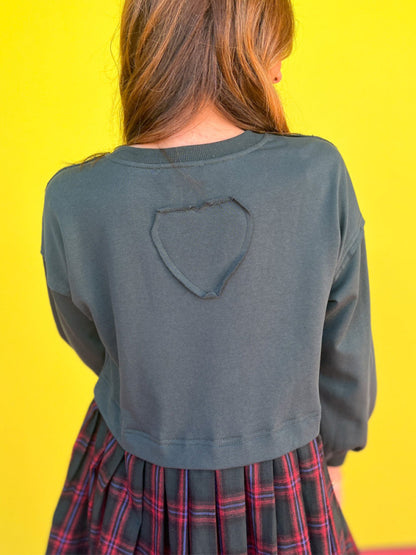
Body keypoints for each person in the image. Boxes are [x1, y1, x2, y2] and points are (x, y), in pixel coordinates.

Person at [41, 0, 377, 553]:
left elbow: (87, 335)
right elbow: (344, 345)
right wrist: (335, 453)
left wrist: (163, 384)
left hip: (130, 477)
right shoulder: (318, 175)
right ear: (247, 52)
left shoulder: (74, 198)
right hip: (283, 482)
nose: (280, 72)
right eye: (275, 52)